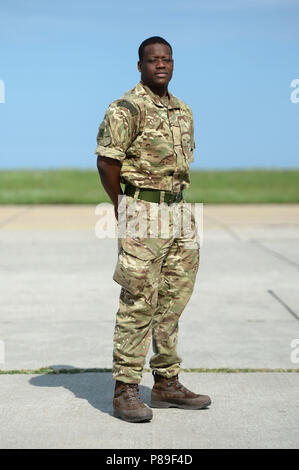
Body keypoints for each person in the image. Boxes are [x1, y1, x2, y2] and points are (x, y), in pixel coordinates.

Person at [95, 36, 211, 423]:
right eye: (152, 60)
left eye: (166, 59)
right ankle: (125, 388)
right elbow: (107, 162)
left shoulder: (183, 110)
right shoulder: (125, 108)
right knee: (138, 301)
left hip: (180, 213)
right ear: (141, 65)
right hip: (142, 211)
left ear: (173, 64)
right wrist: (122, 206)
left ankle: (166, 382)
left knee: (173, 301)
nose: (160, 65)